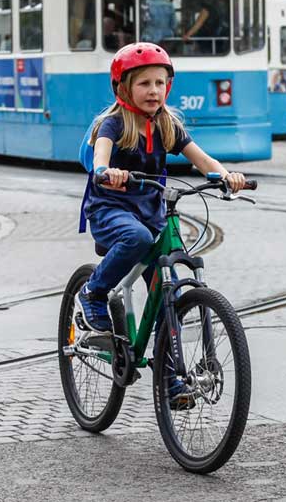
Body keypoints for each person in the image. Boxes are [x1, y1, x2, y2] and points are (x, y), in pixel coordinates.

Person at [76, 42, 247, 409]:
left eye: (160, 83)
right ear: (124, 88)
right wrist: (106, 172)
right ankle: (93, 292)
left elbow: (201, 159)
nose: (154, 91)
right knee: (136, 237)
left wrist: (225, 176)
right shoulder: (114, 123)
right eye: (144, 84)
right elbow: (100, 157)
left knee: (167, 293)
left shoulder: (168, 124)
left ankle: (171, 382)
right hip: (111, 209)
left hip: (150, 209)